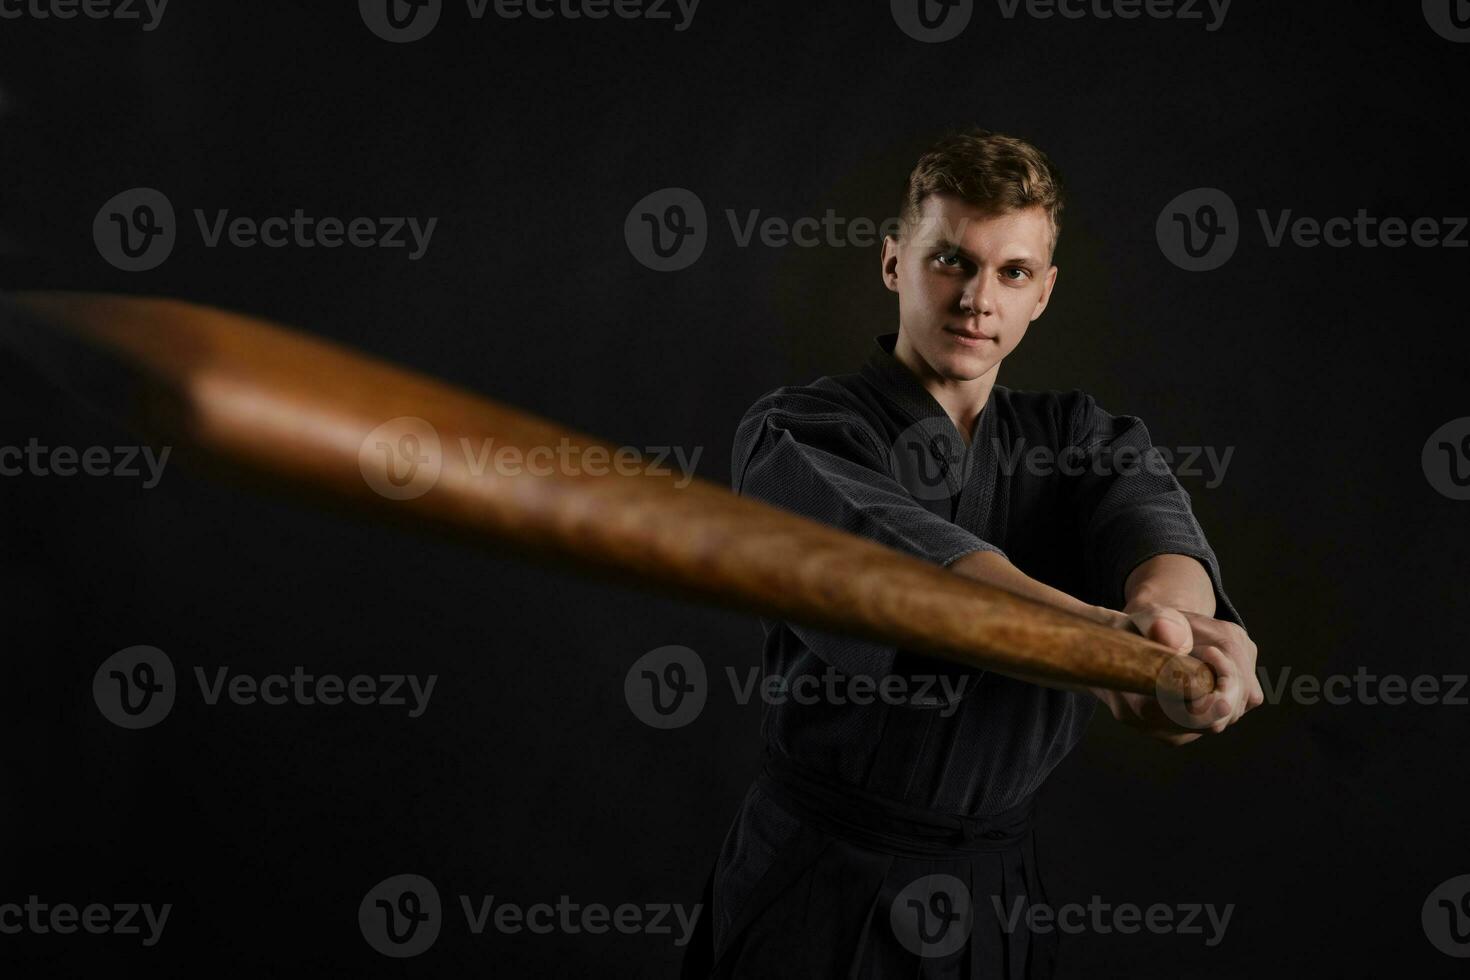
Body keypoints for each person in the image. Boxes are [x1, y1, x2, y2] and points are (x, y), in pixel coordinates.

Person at [681, 127, 1263, 978]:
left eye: (1012, 271)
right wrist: (1104, 647)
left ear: (1044, 293)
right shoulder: (798, 432)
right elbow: (925, 578)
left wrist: (1177, 640)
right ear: (893, 264)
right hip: (817, 881)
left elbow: (1154, 534)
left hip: (993, 894)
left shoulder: (1082, 439)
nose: (978, 298)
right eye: (951, 259)